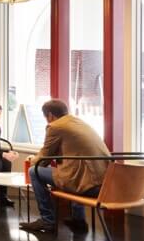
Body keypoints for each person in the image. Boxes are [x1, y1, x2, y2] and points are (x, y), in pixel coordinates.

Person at [20, 99, 110, 234]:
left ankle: (47, 220)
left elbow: (43, 160)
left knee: (34, 171)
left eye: (46, 118)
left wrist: (32, 159)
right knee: (72, 171)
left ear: (50, 115)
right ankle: (78, 220)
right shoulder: (78, 122)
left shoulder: (55, 126)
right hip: (106, 183)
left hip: (89, 186)